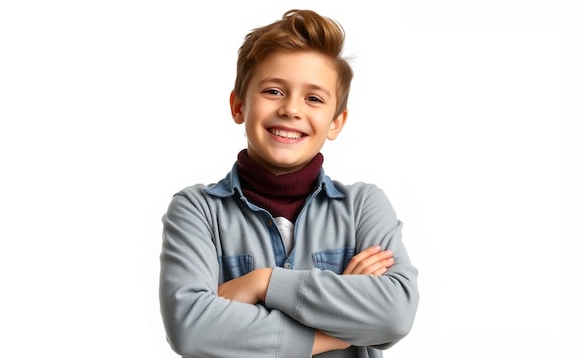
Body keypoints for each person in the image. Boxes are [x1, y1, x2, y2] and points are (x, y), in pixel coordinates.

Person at [159, 9, 419, 357]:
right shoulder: (196, 210)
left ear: (336, 122)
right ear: (239, 106)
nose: (291, 110)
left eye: (313, 98)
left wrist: (261, 283)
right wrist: (341, 329)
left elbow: (395, 315)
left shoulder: (363, 206)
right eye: (273, 91)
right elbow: (191, 329)